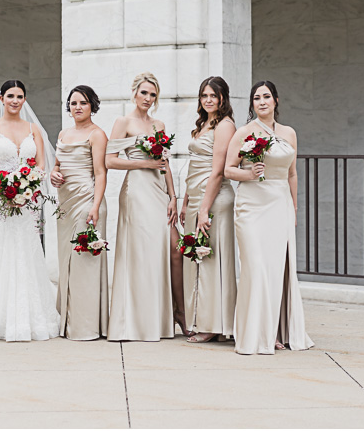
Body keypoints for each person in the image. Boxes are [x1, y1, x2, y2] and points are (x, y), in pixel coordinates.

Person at [0, 80, 60, 342]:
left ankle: (32, 319)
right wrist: (5, 191)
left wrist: (25, 191)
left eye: (19, 96)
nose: (15, 100)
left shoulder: (34, 130)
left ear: (25, 100)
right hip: (0, 204)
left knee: (27, 253)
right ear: (1, 98)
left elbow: (40, 165)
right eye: (10, 96)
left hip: (27, 204)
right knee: (1, 253)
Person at [224, 81, 313, 354]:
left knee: (277, 269)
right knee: (257, 266)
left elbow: (292, 174)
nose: (261, 102)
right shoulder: (244, 132)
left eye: (266, 97)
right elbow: (228, 169)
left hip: (280, 206)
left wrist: (294, 209)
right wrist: (249, 174)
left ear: (276, 100)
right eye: (256, 98)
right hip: (251, 206)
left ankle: (275, 330)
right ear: (252, 104)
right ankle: (256, 332)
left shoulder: (289, 133)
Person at [106, 72, 180, 341]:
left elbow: (165, 163)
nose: (148, 98)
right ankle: (133, 322)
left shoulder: (159, 125)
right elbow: (110, 161)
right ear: (134, 93)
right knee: (139, 251)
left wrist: (173, 196)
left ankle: (158, 320)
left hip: (159, 191)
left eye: (153, 94)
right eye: (144, 93)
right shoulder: (123, 122)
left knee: (165, 247)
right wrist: (144, 164)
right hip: (136, 189)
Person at [179, 76, 236, 343]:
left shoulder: (225, 126)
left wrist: (204, 209)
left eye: (213, 95)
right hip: (197, 197)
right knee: (198, 258)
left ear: (223, 97)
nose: (208, 100)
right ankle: (201, 318)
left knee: (211, 259)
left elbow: (217, 172)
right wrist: (186, 200)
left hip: (214, 199)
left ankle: (213, 323)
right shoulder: (203, 124)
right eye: (204, 95)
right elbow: (194, 166)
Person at [50, 85, 109, 340]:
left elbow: (100, 173)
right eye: (73, 103)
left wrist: (95, 206)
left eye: (83, 103)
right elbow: (57, 166)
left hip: (87, 201)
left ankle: (86, 326)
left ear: (92, 105)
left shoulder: (97, 134)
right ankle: (67, 322)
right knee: (66, 262)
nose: (77, 107)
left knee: (85, 263)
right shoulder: (63, 133)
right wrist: (53, 174)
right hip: (65, 204)